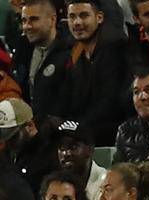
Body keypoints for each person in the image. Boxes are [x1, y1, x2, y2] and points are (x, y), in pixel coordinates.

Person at [53, 0, 128, 146]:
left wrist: (75, 127)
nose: (77, 22)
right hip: (83, 131)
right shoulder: (77, 56)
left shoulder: (114, 52)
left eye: (84, 15)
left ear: (99, 18)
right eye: (72, 17)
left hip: (110, 136)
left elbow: (109, 105)